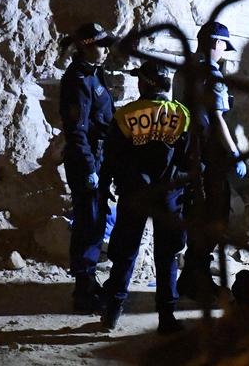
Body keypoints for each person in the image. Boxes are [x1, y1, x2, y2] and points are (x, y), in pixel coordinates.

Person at [99, 60, 193, 334]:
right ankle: (167, 318)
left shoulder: (125, 115)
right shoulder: (182, 115)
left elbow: (112, 158)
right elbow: (191, 161)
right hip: (169, 196)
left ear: (144, 83)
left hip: (134, 193)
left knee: (126, 253)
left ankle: (112, 313)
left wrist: (107, 187)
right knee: (166, 257)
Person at [176, 21, 247, 300]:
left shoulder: (183, 71)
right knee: (214, 219)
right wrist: (235, 153)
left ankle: (189, 279)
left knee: (196, 216)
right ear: (216, 43)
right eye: (223, 47)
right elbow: (217, 119)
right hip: (210, 156)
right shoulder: (211, 74)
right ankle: (198, 281)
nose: (224, 53)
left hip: (188, 155)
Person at [59, 22, 116, 313]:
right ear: (86, 46)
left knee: (94, 222)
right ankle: (83, 291)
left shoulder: (94, 74)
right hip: (88, 160)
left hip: (98, 158)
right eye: (101, 45)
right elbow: (77, 129)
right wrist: (89, 167)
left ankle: (89, 283)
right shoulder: (79, 79)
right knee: (88, 223)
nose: (106, 50)